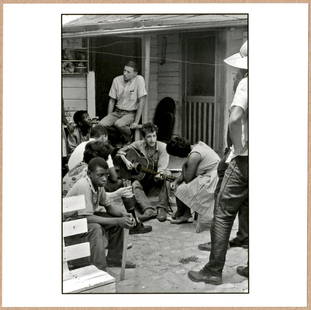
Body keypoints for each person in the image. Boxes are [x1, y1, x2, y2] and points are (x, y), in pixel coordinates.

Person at [188, 40, 248, 284]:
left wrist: (239, 147)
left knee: (222, 214)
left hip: (246, 158)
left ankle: (213, 270)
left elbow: (235, 118)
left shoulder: (247, 82)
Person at [63, 140, 152, 235]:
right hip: (71, 219)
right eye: (105, 159)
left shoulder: (89, 170)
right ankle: (135, 223)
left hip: (82, 211)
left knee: (119, 218)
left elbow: (103, 201)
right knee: (101, 225)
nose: (106, 163)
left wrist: (122, 214)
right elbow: (86, 215)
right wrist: (117, 195)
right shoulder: (87, 175)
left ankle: (133, 220)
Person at [66, 157, 136, 271]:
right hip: (69, 225)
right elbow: (86, 217)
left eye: (106, 175)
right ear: (89, 173)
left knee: (116, 219)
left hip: (81, 219)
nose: (104, 179)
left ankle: (115, 258)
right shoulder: (84, 185)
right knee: (95, 227)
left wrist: (123, 215)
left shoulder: (98, 185)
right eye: (100, 175)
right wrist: (118, 220)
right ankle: (100, 269)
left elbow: (109, 208)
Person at [117, 122, 170, 222]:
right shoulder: (139, 144)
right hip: (143, 179)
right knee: (135, 183)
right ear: (144, 137)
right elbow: (120, 151)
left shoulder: (163, 147)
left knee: (167, 176)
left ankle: (162, 208)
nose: (152, 139)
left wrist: (160, 174)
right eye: (149, 137)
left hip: (156, 178)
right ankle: (148, 210)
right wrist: (126, 160)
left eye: (154, 136)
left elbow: (162, 168)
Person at [166, 137, 220, 225]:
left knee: (181, 188)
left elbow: (188, 178)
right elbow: (188, 173)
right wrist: (176, 181)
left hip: (212, 182)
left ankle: (185, 215)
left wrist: (184, 165)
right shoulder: (197, 146)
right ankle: (183, 213)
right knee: (179, 185)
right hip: (209, 176)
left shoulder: (194, 156)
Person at [99, 60, 147, 144]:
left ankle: (129, 136)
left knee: (119, 124)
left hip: (130, 113)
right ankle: (114, 142)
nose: (125, 73)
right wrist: (108, 116)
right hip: (117, 112)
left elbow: (141, 101)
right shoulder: (116, 80)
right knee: (101, 125)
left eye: (128, 72)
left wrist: (136, 122)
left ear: (135, 73)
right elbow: (112, 101)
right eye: (124, 70)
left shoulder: (139, 79)